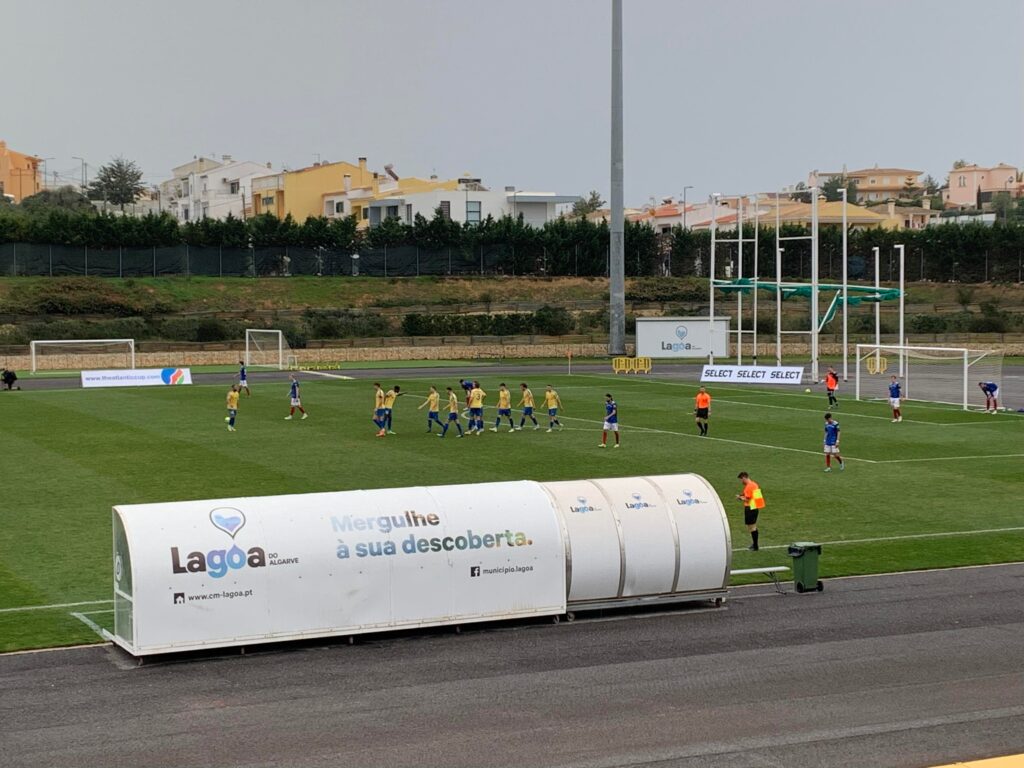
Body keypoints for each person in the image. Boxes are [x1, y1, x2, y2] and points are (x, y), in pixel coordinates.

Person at [735, 472, 765, 551]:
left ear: (744, 478)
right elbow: (756, 496)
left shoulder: (749, 486)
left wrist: (739, 498)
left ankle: (755, 546)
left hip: (750, 508)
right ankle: (755, 545)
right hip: (755, 507)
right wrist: (742, 495)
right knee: (753, 526)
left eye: (741, 479)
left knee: (752, 527)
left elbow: (747, 499)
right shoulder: (754, 484)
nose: (741, 481)